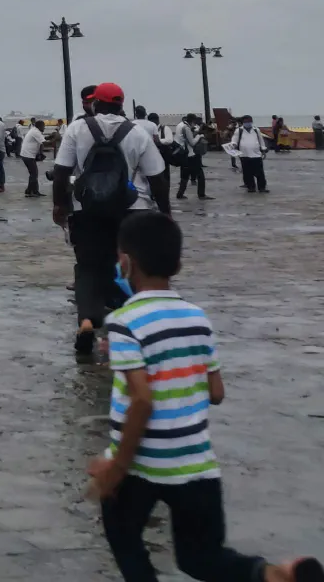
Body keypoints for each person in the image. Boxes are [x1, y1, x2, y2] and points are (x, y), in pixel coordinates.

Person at [89, 211, 322, 582]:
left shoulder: (124, 322)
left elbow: (143, 401)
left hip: (140, 465)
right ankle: (274, 575)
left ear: (125, 263)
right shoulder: (198, 317)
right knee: (201, 557)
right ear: (177, 264)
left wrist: (116, 466)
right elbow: (216, 392)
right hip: (196, 464)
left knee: (126, 539)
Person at [52, 82, 169, 356]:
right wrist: (165, 213)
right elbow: (157, 178)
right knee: (131, 268)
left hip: (87, 210)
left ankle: (87, 321)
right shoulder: (137, 132)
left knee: (89, 268)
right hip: (132, 210)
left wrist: (61, 205)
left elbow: (60, 171)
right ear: (121, 104)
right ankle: (132, 328)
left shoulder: (78, 128)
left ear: (96, 104)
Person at [225, 116, 268, 194]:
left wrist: (263, 150)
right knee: (247, 172)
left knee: (260, 172)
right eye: (246, 121)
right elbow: (234, 140)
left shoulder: (256, 130)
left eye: (249, 121)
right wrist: (233, 145)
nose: (248, 123)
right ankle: (251, 187)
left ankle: (262, 187)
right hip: (244, 155)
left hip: (256, 154)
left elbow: (261, 140)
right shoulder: (239, 131)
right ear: (243, 122)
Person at [176, 115, 209, 201]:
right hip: (190, 155)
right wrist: (199, 136)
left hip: (183, 155)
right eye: (194, 122)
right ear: (192, 121)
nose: (195, 125)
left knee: (185, 175)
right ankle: (201, 195)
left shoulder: (180, 125)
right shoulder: (186, 128)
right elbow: (192, 143)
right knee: (200, 175)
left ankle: (180, 194)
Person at [20, 119, 47, 197]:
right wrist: (55, 139)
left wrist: (41, 153)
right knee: (34, 174)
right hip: (28, 155)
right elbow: (44, 142)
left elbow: (41, 143)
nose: (44, 128)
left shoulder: (34, 130)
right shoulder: (36, 132)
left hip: (27, 154)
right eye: (43, 126)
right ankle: (32, 192)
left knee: (33, 173)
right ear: (39, 126)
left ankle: (30, 190)